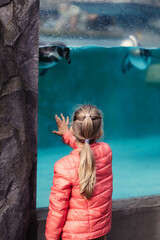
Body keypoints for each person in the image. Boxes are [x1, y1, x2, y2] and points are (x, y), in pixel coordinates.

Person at [45, 104, 113, 240]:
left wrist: (51, 238)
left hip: (74, 236)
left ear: (73, 130)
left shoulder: (63, 166)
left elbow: (57, 210)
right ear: (99, 133)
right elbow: (88, 150)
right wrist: (67, 135)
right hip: (100, 233)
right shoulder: (106, 152)